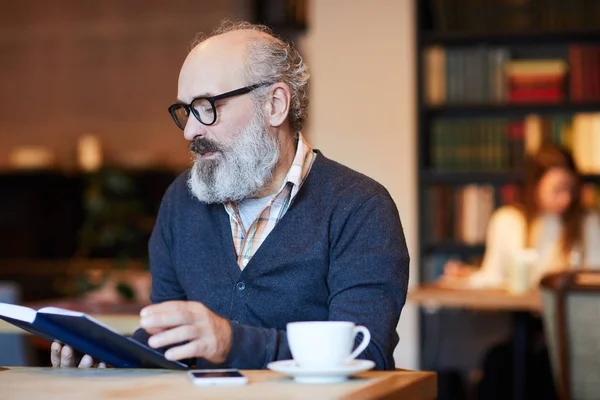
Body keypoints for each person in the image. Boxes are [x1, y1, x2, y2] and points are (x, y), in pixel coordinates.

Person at [50, 20, 410, 370]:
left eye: (208, 107)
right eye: (186, 110)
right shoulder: (180, 201)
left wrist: (230, 343)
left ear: (275, 105)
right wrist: (108, 354)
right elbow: (172, 340)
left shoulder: (360, 207)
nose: (190, 130)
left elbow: (367, 354)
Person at [442, 144, 600, 399]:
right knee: (502, 364)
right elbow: (493, 275)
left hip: (576, 331)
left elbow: (593, 280)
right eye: (556, 190)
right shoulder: (508, 220)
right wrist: (469, 276)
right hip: (528, 326)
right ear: (534, 185)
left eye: (570, 189)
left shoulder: (588, 222)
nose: (566, 199)